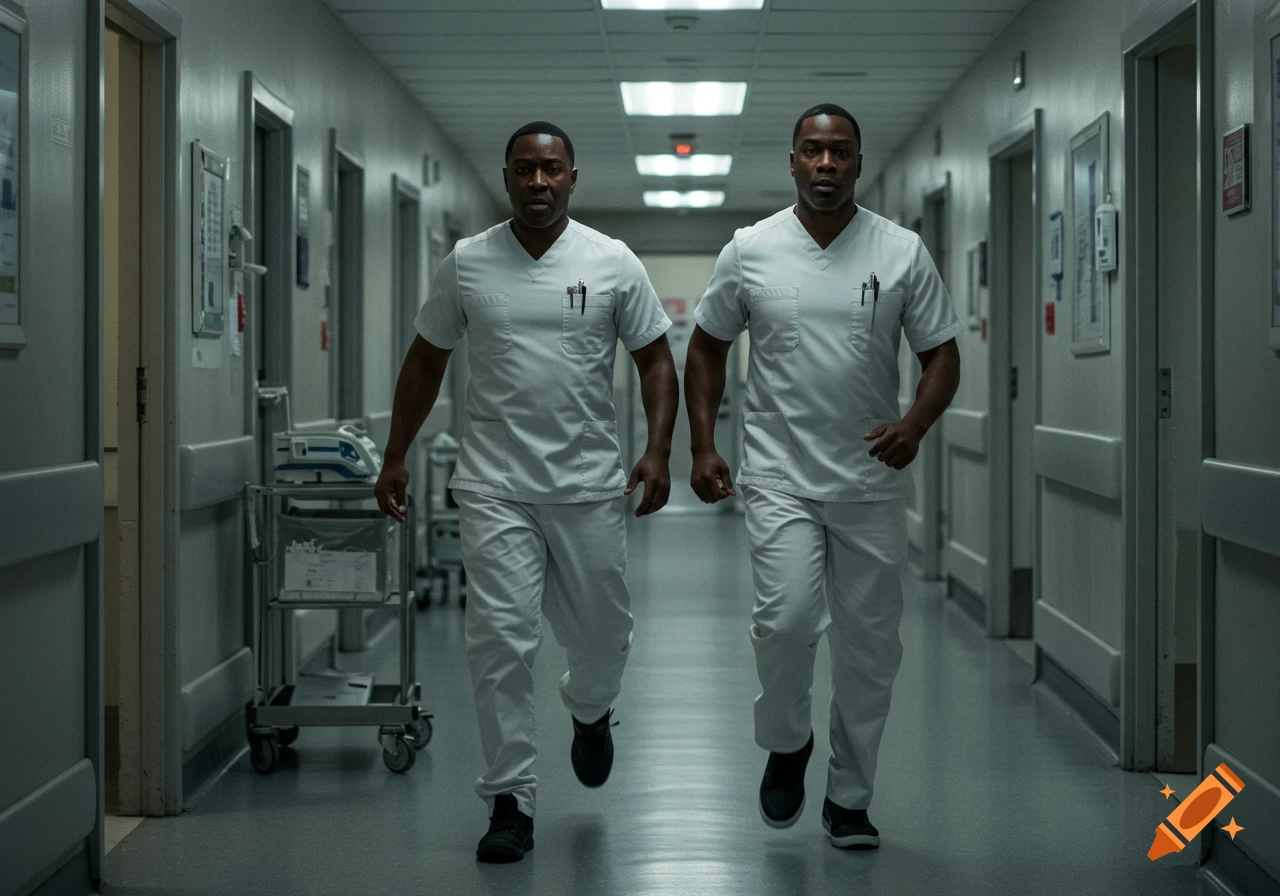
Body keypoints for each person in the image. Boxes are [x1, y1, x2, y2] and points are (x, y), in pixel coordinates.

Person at [374, 121, 678, 864]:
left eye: (552, 170)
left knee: (603, 637)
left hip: (586, 486)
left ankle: (590, 708)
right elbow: (425, 361)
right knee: (499, 643)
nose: (538, 183)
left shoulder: (611, 262)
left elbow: (655, 361)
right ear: (505, 178)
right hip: (495, 486)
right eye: (524, 171)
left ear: (574, 177)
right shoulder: (468, 263)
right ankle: (509, 799)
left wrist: (659, 450)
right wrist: (395, 456)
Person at [683, 103, 961, 850]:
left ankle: (849, 798)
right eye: (813, 151)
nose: (827, 164)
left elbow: (941, 355)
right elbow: (706, 348)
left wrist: (916, 425)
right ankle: (787, 740)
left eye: (840, 152)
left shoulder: (901, 251)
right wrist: (704, 444)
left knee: (872, 650)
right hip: (779, 476)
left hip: (869, 480)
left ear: (859, 163)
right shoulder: (751, 249)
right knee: (787, 622)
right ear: (794, 161)